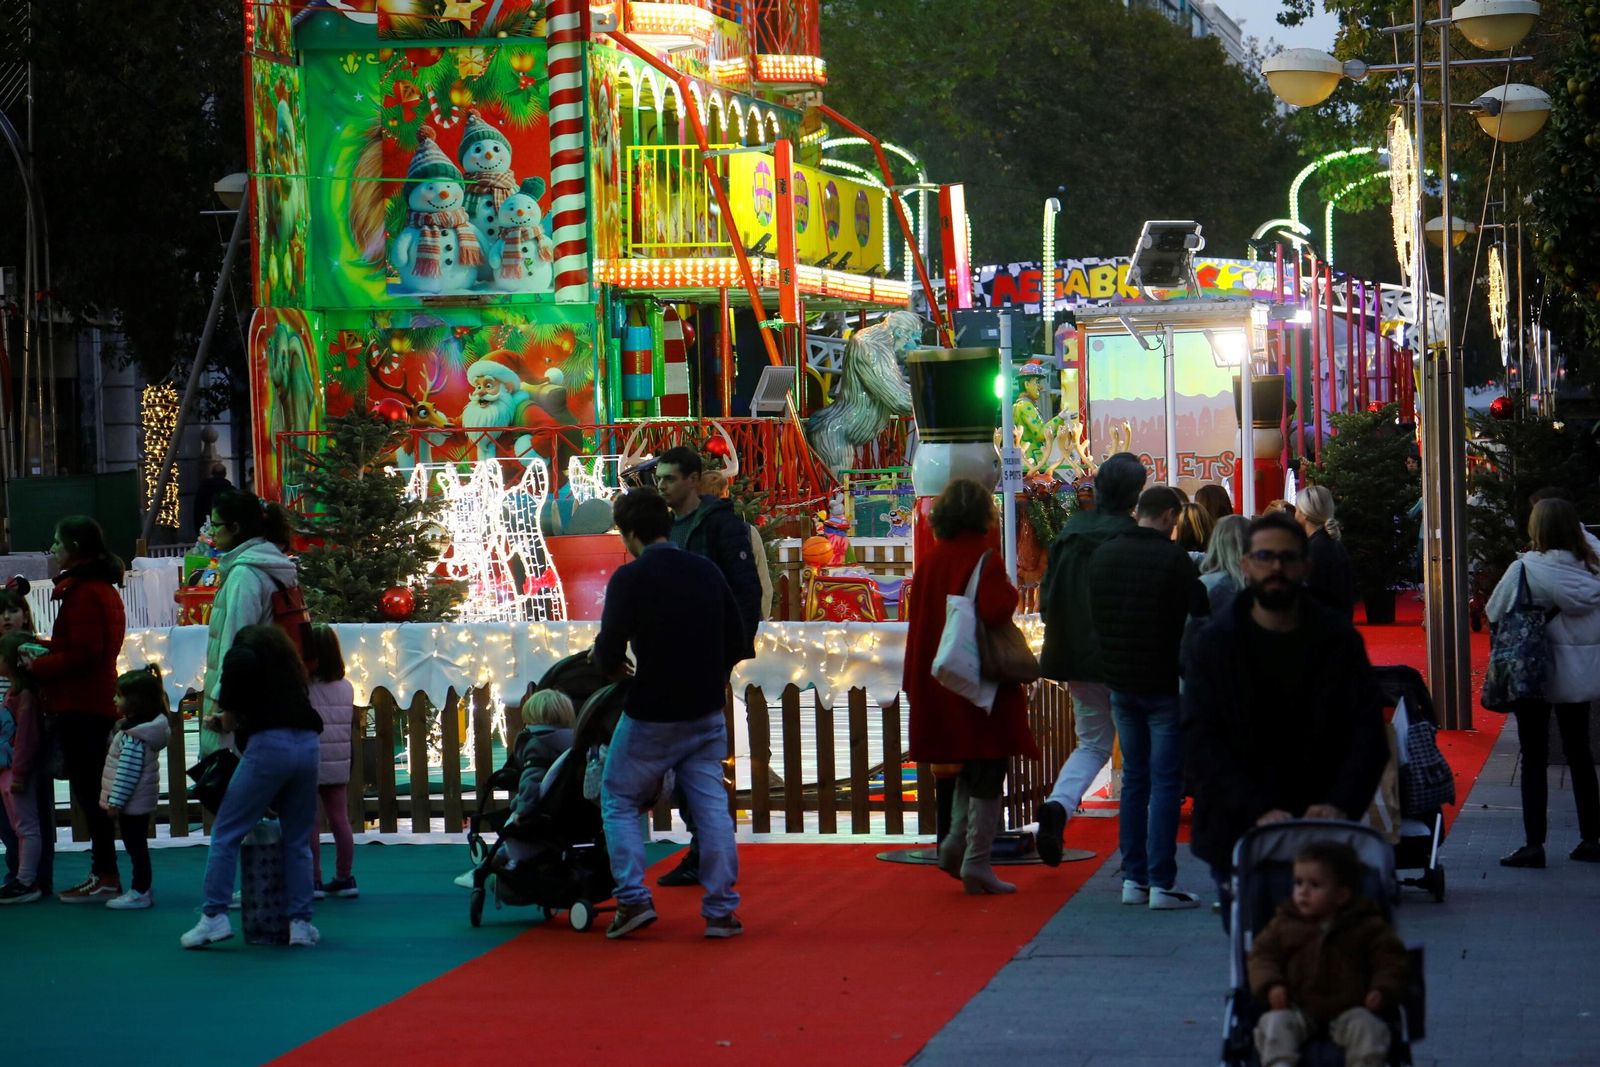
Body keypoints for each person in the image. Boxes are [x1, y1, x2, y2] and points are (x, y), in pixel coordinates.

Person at [1184, 513, 1389, 884]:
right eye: (1265, 557)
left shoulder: (1338, 640)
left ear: (1305, 566)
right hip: (1238, 831)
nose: (1276, 567)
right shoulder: (1215, 643)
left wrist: (1338, 803)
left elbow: (1367, 732)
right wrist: (1253, 808)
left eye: (1287, 557)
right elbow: (1200, 740)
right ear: (1246, 565)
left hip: (1323, 827)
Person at [592, 489, 748, 940]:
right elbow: (736, 638)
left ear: (629, 533)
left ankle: (632, 899)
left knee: (618, 797)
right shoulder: (706, 571)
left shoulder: (630, 578)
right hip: (705, 708)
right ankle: (720, 910)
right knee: (711, 806)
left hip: (652, 711)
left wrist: (612, 668)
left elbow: (609, 646)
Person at [904, 479, 1039, 895]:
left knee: (966, 762)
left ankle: (954, 842)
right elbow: (997, 608)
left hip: (940, 675)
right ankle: (976, 859)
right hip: (977, 679)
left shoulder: (931, 560)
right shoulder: (984, 558)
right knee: (989, 764)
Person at [1089, 486, 1207, 909]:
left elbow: (1095, 614)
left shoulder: (1104, 555)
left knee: (1135, 781)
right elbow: (1200, 611)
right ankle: (1160, 880)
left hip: (1120, 681)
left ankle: (1133, 878)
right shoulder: (1173, 559)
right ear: (1170, 515)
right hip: (1162, 682)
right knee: (1165, 782)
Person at [651, 445, 763, 889]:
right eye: (659, 478)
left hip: (705, 656)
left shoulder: (720, 525)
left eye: (670, 478)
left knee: (696, 758)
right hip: (675, 656)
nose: (662, 485)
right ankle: (706, 847)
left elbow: (746, 591)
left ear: (694, 479)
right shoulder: (666, 527)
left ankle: (707, 850)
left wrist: (729, 651)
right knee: (688, 759)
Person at [181, 624, 324, 950]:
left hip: (267, 746)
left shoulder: (241, 657)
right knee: (297, 839)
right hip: (308, 744)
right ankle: (300, 923)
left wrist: (218, 723)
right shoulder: (288, 669)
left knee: (226, 832)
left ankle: (214, 915)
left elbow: (230, 716)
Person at [1035, 452, 1147, 867]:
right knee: (1139, 748)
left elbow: (1048, 597)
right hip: (1124, 656)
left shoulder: (1070, 533)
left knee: (1093, 743)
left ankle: (1059, 805)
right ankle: (1139, 845)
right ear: (1135, 494)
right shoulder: (1132, 538)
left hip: (1076, 656)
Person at [1485, 498, 1600, 868]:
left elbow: (1493, 611)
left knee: (1533, 758)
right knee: (1579, 753)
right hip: (1578, 674)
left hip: (1534, 673)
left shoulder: (1525, 569)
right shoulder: (1594, 569)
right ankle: (1591, 838)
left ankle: (1534, 844)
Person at [25, 516, 126, 903]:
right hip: (92, 701)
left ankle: (105, 873)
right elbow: (83, 648)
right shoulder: (98, 588)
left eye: (57, 542)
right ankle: (104, 872)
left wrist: (39, 665)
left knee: (89, 793)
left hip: (83, 704)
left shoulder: (84, 592)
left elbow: (85, 654)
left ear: (75, 548)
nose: (53, 549)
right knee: (90, 792)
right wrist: (42, 648)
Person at [1248, 840, 1407, 1067]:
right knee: (1274, 1024)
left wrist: (1382, 988)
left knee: (1369, 1029)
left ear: (1341, 895)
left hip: (1352, 1007)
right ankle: (1280, 1063)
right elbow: (1262, 956)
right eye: (1298, 883)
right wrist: (1271, 985)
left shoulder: (1366, 925)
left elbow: (1390, 961)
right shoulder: (1284, 923)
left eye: (1314, 885)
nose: (1303, 892)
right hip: (1296, 1006)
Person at [199, 491, 300, 758]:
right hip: (270, 692)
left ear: (235, 527)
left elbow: (234, 642)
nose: (212, 533)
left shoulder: (245, 575)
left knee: (233, 774)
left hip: (244, 703)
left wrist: (224, 703)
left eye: (216, 525)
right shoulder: (272, 565)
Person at [97, 666, 172, 910]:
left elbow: (128, 772)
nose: (114, 699)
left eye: (119, 695)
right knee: (137, 845)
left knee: (135, 846)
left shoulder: (134, 736)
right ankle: (142, 888)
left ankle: (140, 890)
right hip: (138, 801)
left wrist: (115, 802)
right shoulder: (138, 730)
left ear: (135, 702)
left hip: (131, 803)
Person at [0, 578, 50, 897]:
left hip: (21, 757)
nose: (7, 617)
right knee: (8, 823)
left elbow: (30, 728)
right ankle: (17, 874)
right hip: (4, 757)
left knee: (29, 819)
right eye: (1, 612)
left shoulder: (34, 658)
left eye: (13, 610)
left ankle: (33, 878)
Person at [305, 625, 358, 900]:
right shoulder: (346, 688)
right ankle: (345, 876)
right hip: (339, 760)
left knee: (311, 823)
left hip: (311, 759)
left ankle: (313, 879)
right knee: (340, 820)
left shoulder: (306, 688)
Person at [511, 689, 576, 816]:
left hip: (542, 810)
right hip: (567, 806)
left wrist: (522, 810)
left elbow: (531, 781)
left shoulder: (537, 743)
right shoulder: (574, 739)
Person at [1295, 485, 1355, 618]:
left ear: (1304, 513)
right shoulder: (1335, 544)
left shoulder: (1313, 550)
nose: (1294, 514)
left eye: (1297, 509)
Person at [194, 462, 235, 539]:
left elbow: (198, 510)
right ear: (225, 474)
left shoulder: (204, 489)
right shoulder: (231, 490)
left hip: (206, 527)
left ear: (212, 473)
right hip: (226, 529)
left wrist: (198, 529)